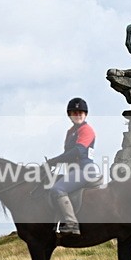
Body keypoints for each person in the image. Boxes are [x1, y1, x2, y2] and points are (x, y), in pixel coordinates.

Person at [46, 98, 97, 235]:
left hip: (84, 170)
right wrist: (53, 163)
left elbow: (78, 151)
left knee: (57, 189)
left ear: (85, 114)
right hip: (73, 171)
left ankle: (72, 223)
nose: (78, 115)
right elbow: (67, 154)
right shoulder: (70, 132)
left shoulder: (87, 130)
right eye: (74, 112)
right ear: (70, 115)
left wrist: (55, 160)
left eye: (81, 112)